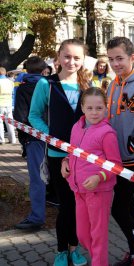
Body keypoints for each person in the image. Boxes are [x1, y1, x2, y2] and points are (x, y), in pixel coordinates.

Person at [29, 39, 89, 266]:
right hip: (57, 155)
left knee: (78, 206)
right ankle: (62, 250)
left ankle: (75, 248)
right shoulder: (47, 84)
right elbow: (34, 116)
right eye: (67, 56)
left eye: (76, 58)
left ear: (83, 60)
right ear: (58, 57)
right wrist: (51, 137)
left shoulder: (86, 84)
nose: (71, 61)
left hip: (82, 157)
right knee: (67, 205)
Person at [61, 87, 122, 266]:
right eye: (90, 108)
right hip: (78, 189)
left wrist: (99, 177)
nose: (94, 113)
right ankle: (97, 256)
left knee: (98, 235)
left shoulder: (107, 133)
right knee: (82, 234)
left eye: (99, 108)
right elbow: (73, 152)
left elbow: (116, 165)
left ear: (106, 108)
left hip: (99, 191)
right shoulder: (76, 127)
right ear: (82, 108)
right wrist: (65, 162)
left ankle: (99, 262)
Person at [106, 36, 134, 266]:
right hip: (114, 157)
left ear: (133, 58)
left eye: (120, 59)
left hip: (133, 159)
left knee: (119, 207)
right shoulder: (112, 84)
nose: (115, 64)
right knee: (127, 207)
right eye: (111, 59)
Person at [14, 56, 48, 230]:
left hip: (34, 139)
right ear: (44, 70)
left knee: (37, 179)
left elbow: (20, 117)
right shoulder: (51, 85)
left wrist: (24, 140)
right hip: (55, 138)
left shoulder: (23, 89)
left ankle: (36, 217)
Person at [0, 67, 17, 145]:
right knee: (10, 122)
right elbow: (13, 94)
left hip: (0, 104)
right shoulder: (10, 82)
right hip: (9, 104)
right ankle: (13, 139)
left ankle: (1, 139)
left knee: (0, 123)